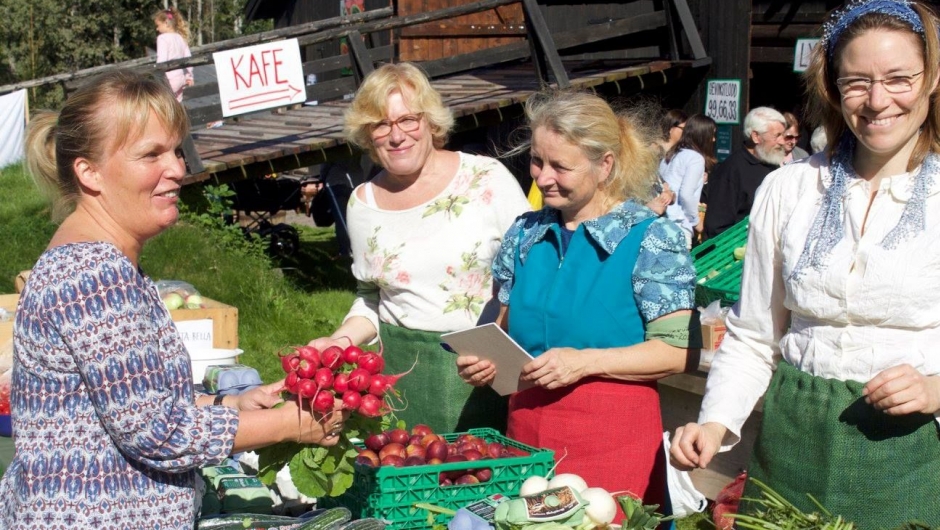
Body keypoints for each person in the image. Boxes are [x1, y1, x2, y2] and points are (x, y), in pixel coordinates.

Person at [0, 70, 347, 529]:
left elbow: (130, 404)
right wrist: (290, 424)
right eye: (151, 155)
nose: (178, 169)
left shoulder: (98, 262)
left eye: (177, 150)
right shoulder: (95, 276)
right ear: (89, 172)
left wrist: (229, 406)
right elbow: (157, 432)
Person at [670, 1, 940, 526]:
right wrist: (715, 422)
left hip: (910, 449)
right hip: (792, 440)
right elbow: (754, 335)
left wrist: (934, 389)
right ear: (834, 89)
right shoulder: (790, 188)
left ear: (930, 80)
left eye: (898, 78)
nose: (877, 100)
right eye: (856, 82)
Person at [456, 90, 700, 512]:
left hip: (613, 446)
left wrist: (585, 362)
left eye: (561, 166)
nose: (542, 177)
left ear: (605, 165)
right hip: (526, 443)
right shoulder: (525, 233)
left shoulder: (651, 239)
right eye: (537, 161)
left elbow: (679, 352)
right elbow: (501, 324)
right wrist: (484, 361)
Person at [307, 62, 530, 434]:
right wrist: (337, 341)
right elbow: (371, 296)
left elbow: (534, 272)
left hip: (487, 377)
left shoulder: (486, 179)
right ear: (368, 134)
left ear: (431, 122)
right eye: (381, 124)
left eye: (408, 119)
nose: (397, 136)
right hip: (403, 387)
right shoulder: (363, 204)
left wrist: (502, 337)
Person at [701, 106, 787, 239]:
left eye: (783, 135)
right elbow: (717, 225)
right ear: (756, 136)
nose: (782, 142)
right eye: (777, 136)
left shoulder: (772, 164)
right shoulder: (731, 169)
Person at [660, 114, 717, 245]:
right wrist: (696, 222)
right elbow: (686, 195)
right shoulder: (696, 158)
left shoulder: (672, 154)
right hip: (678, 225)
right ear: (702, 135)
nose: (714, 139)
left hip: (662, 219)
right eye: (711, 135)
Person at [154, 7, 194, 102]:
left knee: (165, 104)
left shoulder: (162, 38)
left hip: (169, 78)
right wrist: (189, 76)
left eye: (158, 25)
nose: (157, 28)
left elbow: (162, 61)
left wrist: (157, 75)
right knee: (177, 103)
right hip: (181, 78)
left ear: (166, 23)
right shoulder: (180, 37)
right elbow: (188, 58)